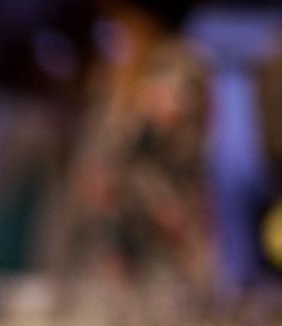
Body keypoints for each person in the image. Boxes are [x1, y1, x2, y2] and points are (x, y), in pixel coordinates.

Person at [57, 0, 211, 303]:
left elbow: (179, 151)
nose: (112, 32)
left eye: (118, 20)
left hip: (160, 242)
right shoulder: (111, 71)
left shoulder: (178, 64)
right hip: (103, 242)